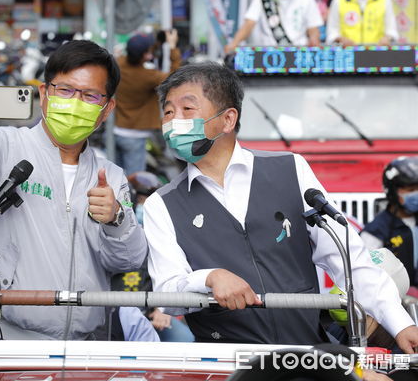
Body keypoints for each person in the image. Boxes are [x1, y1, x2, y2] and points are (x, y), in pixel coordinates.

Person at [143, 62, 418, 353]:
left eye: (187, 109)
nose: (174, 122)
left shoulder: (290, 169)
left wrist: (400, 323)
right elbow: (166, 293)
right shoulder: (162, 204)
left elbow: (348, 259)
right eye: (168, 112)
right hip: (227, 365)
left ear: (228, 119)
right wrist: (209, 278)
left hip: (306, 357)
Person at [0, 40, 148, 340]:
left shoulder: (111, 177)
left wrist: (117, 220)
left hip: (84, 345)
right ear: (44, 94)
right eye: (65, 90)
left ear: (107, 109)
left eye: (90, 95)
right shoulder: (2, 147)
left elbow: (128, 261)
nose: (75, 103)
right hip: (2, 336)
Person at [114, 30, 181, 177]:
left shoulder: (118, 64)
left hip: (116, 131)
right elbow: (176, 77)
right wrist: (172, 47)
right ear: (144, 55)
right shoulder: (147, 76)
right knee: (135, 181)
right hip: (135, 135)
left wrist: (159, 41)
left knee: (116, 179)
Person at [362, 157, 418, 287]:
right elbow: (365, 275)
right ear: (392, 192)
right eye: (410, 190)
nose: (416, 194)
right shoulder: (375, 232)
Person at [224, 0, 322, 53]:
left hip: (298, 54)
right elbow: (249, 24)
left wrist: (314, 40)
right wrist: (234, 43)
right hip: (269, 55)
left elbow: (313, 29)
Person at [326, 0, 398, 46]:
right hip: (349, 54)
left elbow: (391, 30)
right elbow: (332, 33)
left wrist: (387, 38)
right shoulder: (338, 1)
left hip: (376, 54)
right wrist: (340, 39)